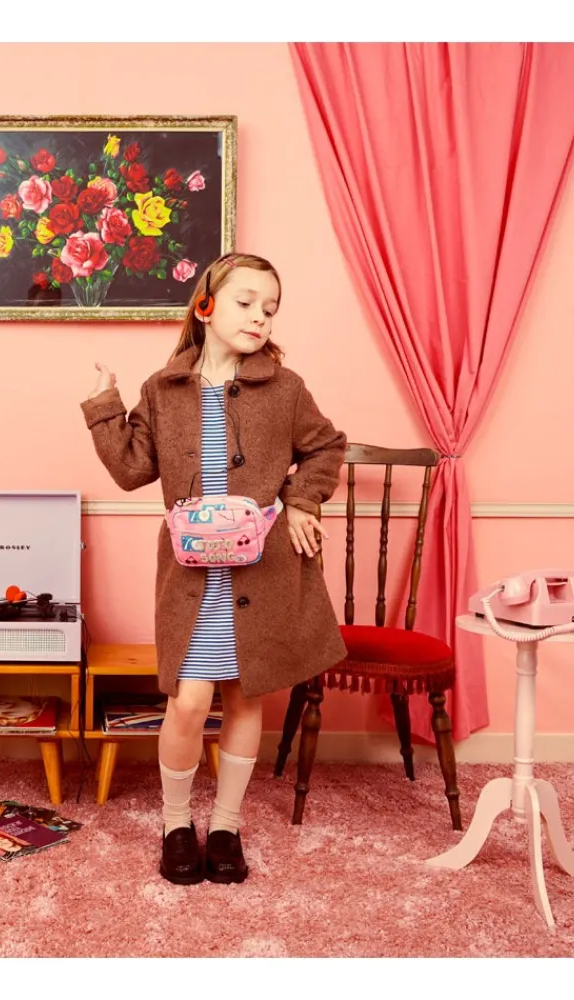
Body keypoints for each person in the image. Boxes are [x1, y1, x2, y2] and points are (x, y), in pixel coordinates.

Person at [80, 252, 348, 886]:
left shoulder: (285, 388)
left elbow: (327, 447)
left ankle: (226, 827)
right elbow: (131, 470)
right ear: (205, 306)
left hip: (263, 570)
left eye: (270, 308)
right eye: (246, 302)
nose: (260, 317)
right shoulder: (163, 388)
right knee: (189, 701)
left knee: (245, 696)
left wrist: (302, 500)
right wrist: (103, 407)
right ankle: (176, 824)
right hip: (192, 574)